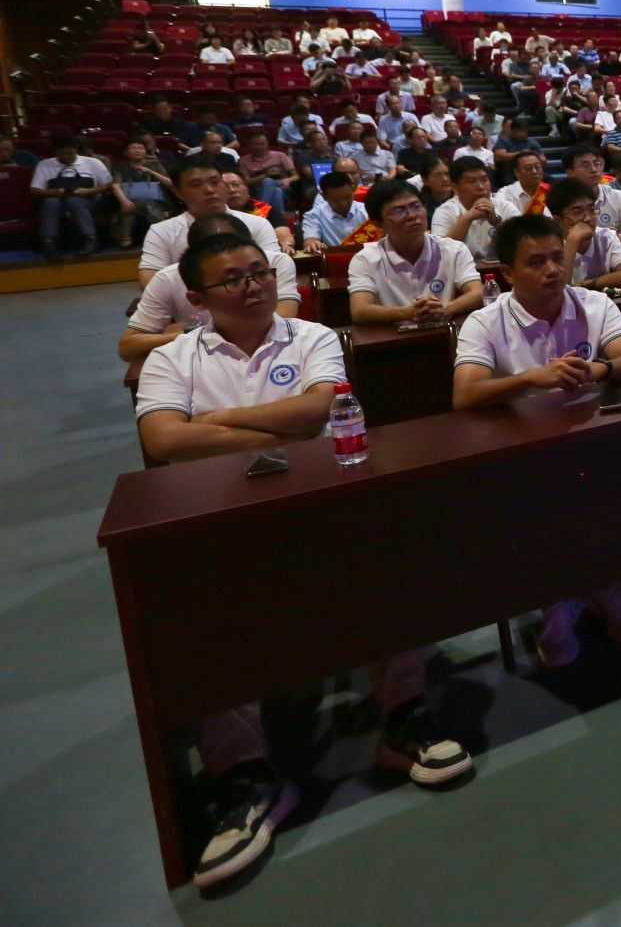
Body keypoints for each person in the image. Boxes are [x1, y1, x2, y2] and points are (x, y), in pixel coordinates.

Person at [136, 230, 471, 888]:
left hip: (320, 501)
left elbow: (320, 409)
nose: (254, 286)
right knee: (196, 603)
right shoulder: (171, 358)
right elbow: (163, 440)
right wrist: (275, 424)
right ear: (198, 298)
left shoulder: (312, 336)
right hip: (217, 521)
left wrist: (212, 424)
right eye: (234, 279)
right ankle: (244, 773)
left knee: (387, 560)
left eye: (260, 272)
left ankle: (402, 719)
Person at [452, 213, 621, 666]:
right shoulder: (484, 321)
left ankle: (598, 587)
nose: (553, 270)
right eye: (536, 262)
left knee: (619, 483)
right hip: (523, 453)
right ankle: (564, 596)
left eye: (558, 258)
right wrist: (531, 378)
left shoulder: (593, 304)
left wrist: (596, 369)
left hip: (593, 442)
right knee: (544, 503)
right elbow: (464, 394)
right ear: (507, 272)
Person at [139, 160, 295, 291]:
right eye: (196, 185)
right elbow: (150, 284)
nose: (209, 190)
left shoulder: (257, 223)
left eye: (215, 182)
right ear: (178, 192)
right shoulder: (161, 231)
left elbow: (273, 273)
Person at [348, 179, 486, 325]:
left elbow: (478, 293)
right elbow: (359, 311)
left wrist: (444, 309)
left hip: (443, 332)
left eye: (416, 206)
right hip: (393, 337)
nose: (412, 215)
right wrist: (408, 313)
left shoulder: (453, 249)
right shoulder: (365, 259)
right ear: (378, 224)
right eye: (398, 211)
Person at [26, 134, 108, 259]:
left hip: (88, 200)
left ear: (76, 149)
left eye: (69, 153)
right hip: (58, 200)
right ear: (55, 152)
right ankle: (49, 243)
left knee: (74, 201)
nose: (65, 156)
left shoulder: (93, 162)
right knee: (50, 202)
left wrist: (89, 191)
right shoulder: (44, 165)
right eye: (61, 153)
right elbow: (34, 189)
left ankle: (90, 240)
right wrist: (53, 192)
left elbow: (107, 185)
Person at [545, 176, 621, 287]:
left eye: (591, 210)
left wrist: (588, 285)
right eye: (577, 212)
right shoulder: (547, 247)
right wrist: (572, 242)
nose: (588, 218)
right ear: (558, 221)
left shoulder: (606, 237)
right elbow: (559, 289)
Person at [563, 142, 621, 247]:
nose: (594, 170)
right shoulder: (560, 200)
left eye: (597, 164)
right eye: (586, 165)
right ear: (570, 173)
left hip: (613, 252)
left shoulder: (616, 196)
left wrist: (609, 240)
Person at [109, 137, 176, 247]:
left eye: (141, 148)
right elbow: (116, 186)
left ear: (145, 151)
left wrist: (151, 172)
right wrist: (124, 201)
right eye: (133, 148)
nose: (138, 150)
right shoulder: (120, 167)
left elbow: (170, 184)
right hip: (130, 201)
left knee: (141, 203)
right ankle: (166, 235)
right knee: (131, 206)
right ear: (125, 152)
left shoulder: (154, 164)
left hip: (158, 202)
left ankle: (126, 239)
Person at [433, 156, 500, 261]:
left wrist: (496, 221)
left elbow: (521, 245)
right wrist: (467, 218)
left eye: (484, 180)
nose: (481, 187)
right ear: (454, 187)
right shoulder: (444, 212)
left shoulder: (505, 206)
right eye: (472, 181)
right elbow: (440, 254)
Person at [301, 171, 368, 249]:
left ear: (353, 190)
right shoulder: (314, 216)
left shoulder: (367, 210)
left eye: (347, 197)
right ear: (323, 196)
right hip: (333, 256)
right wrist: (312, 243)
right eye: (336, 200)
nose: (343, 203)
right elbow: (310, 240)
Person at [492, 148, 549, 218]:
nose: (534, 171)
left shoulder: (549, 191)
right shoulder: (505, 194)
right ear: (516, 172)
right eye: (528, 168)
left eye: (537, 167)